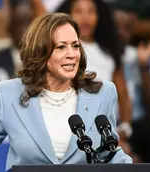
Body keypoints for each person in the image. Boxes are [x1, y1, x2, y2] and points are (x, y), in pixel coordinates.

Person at [0, 13, 132, 171]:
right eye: (61, 47)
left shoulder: (102, 93)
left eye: (75, 45)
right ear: (40, 52)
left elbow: (107, 152)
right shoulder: (9, 94)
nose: (72, 54)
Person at [56, 0, 132, 139]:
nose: (85, 18)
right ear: (67, 16)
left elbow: (123, 97)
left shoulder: (109, 54)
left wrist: (125, 128)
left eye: (91, 12)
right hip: (72, 129)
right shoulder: (59, 49)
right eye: (79, 12)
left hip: (106, 131)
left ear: (99, 16)